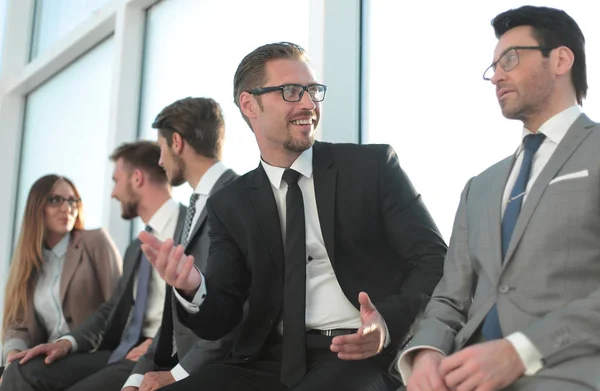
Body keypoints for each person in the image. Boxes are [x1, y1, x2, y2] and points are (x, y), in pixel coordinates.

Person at [140, 41, 447, 391]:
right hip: (266, 360)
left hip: (358, 353)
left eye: (313, 91)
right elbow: (220, 319)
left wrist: (387, 323)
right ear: (249, 104)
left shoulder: (372, 167)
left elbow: (433, 259)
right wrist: (192, 288)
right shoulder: (231, 203)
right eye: (290, 91)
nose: (308, 104)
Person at [397, 6, 600, 391]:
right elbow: (450, 300)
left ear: (560, 59)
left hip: (570, 371)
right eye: (493, 67)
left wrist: (520, 351)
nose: (497, 76)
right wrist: (426, 356)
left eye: (510, 58)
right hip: (463, 374)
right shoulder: (481, 186)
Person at [0, 141, 185, 391]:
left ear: (137, 178)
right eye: (56, 200)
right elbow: (113, 309)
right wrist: (66, 343)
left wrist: (158, 342)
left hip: (153, 351)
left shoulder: (190, 227)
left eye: (116, 180)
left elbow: (199, 307)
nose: (113, 193)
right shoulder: (135, 248)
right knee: (18, 373)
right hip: (123, 349)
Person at [123, 97, 239, 391]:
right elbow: (174, 312)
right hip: (176, 360)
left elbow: (239, 306)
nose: (160, 162)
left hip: (211, 367)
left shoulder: (238, 197)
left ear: (176, 142)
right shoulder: (195, 204)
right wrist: (136, 378)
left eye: (161, 149)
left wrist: (177, 374)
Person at [0, 175, 121, 380]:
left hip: (95, 352)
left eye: (72, 200)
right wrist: (12, 354)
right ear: (37, 208)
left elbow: (121, 305)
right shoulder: (29, 262)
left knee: (20, 375)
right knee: (11, 371)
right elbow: (17, 324)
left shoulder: (95, 241)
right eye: (55, 200)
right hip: (52, 358)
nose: (67, 208)